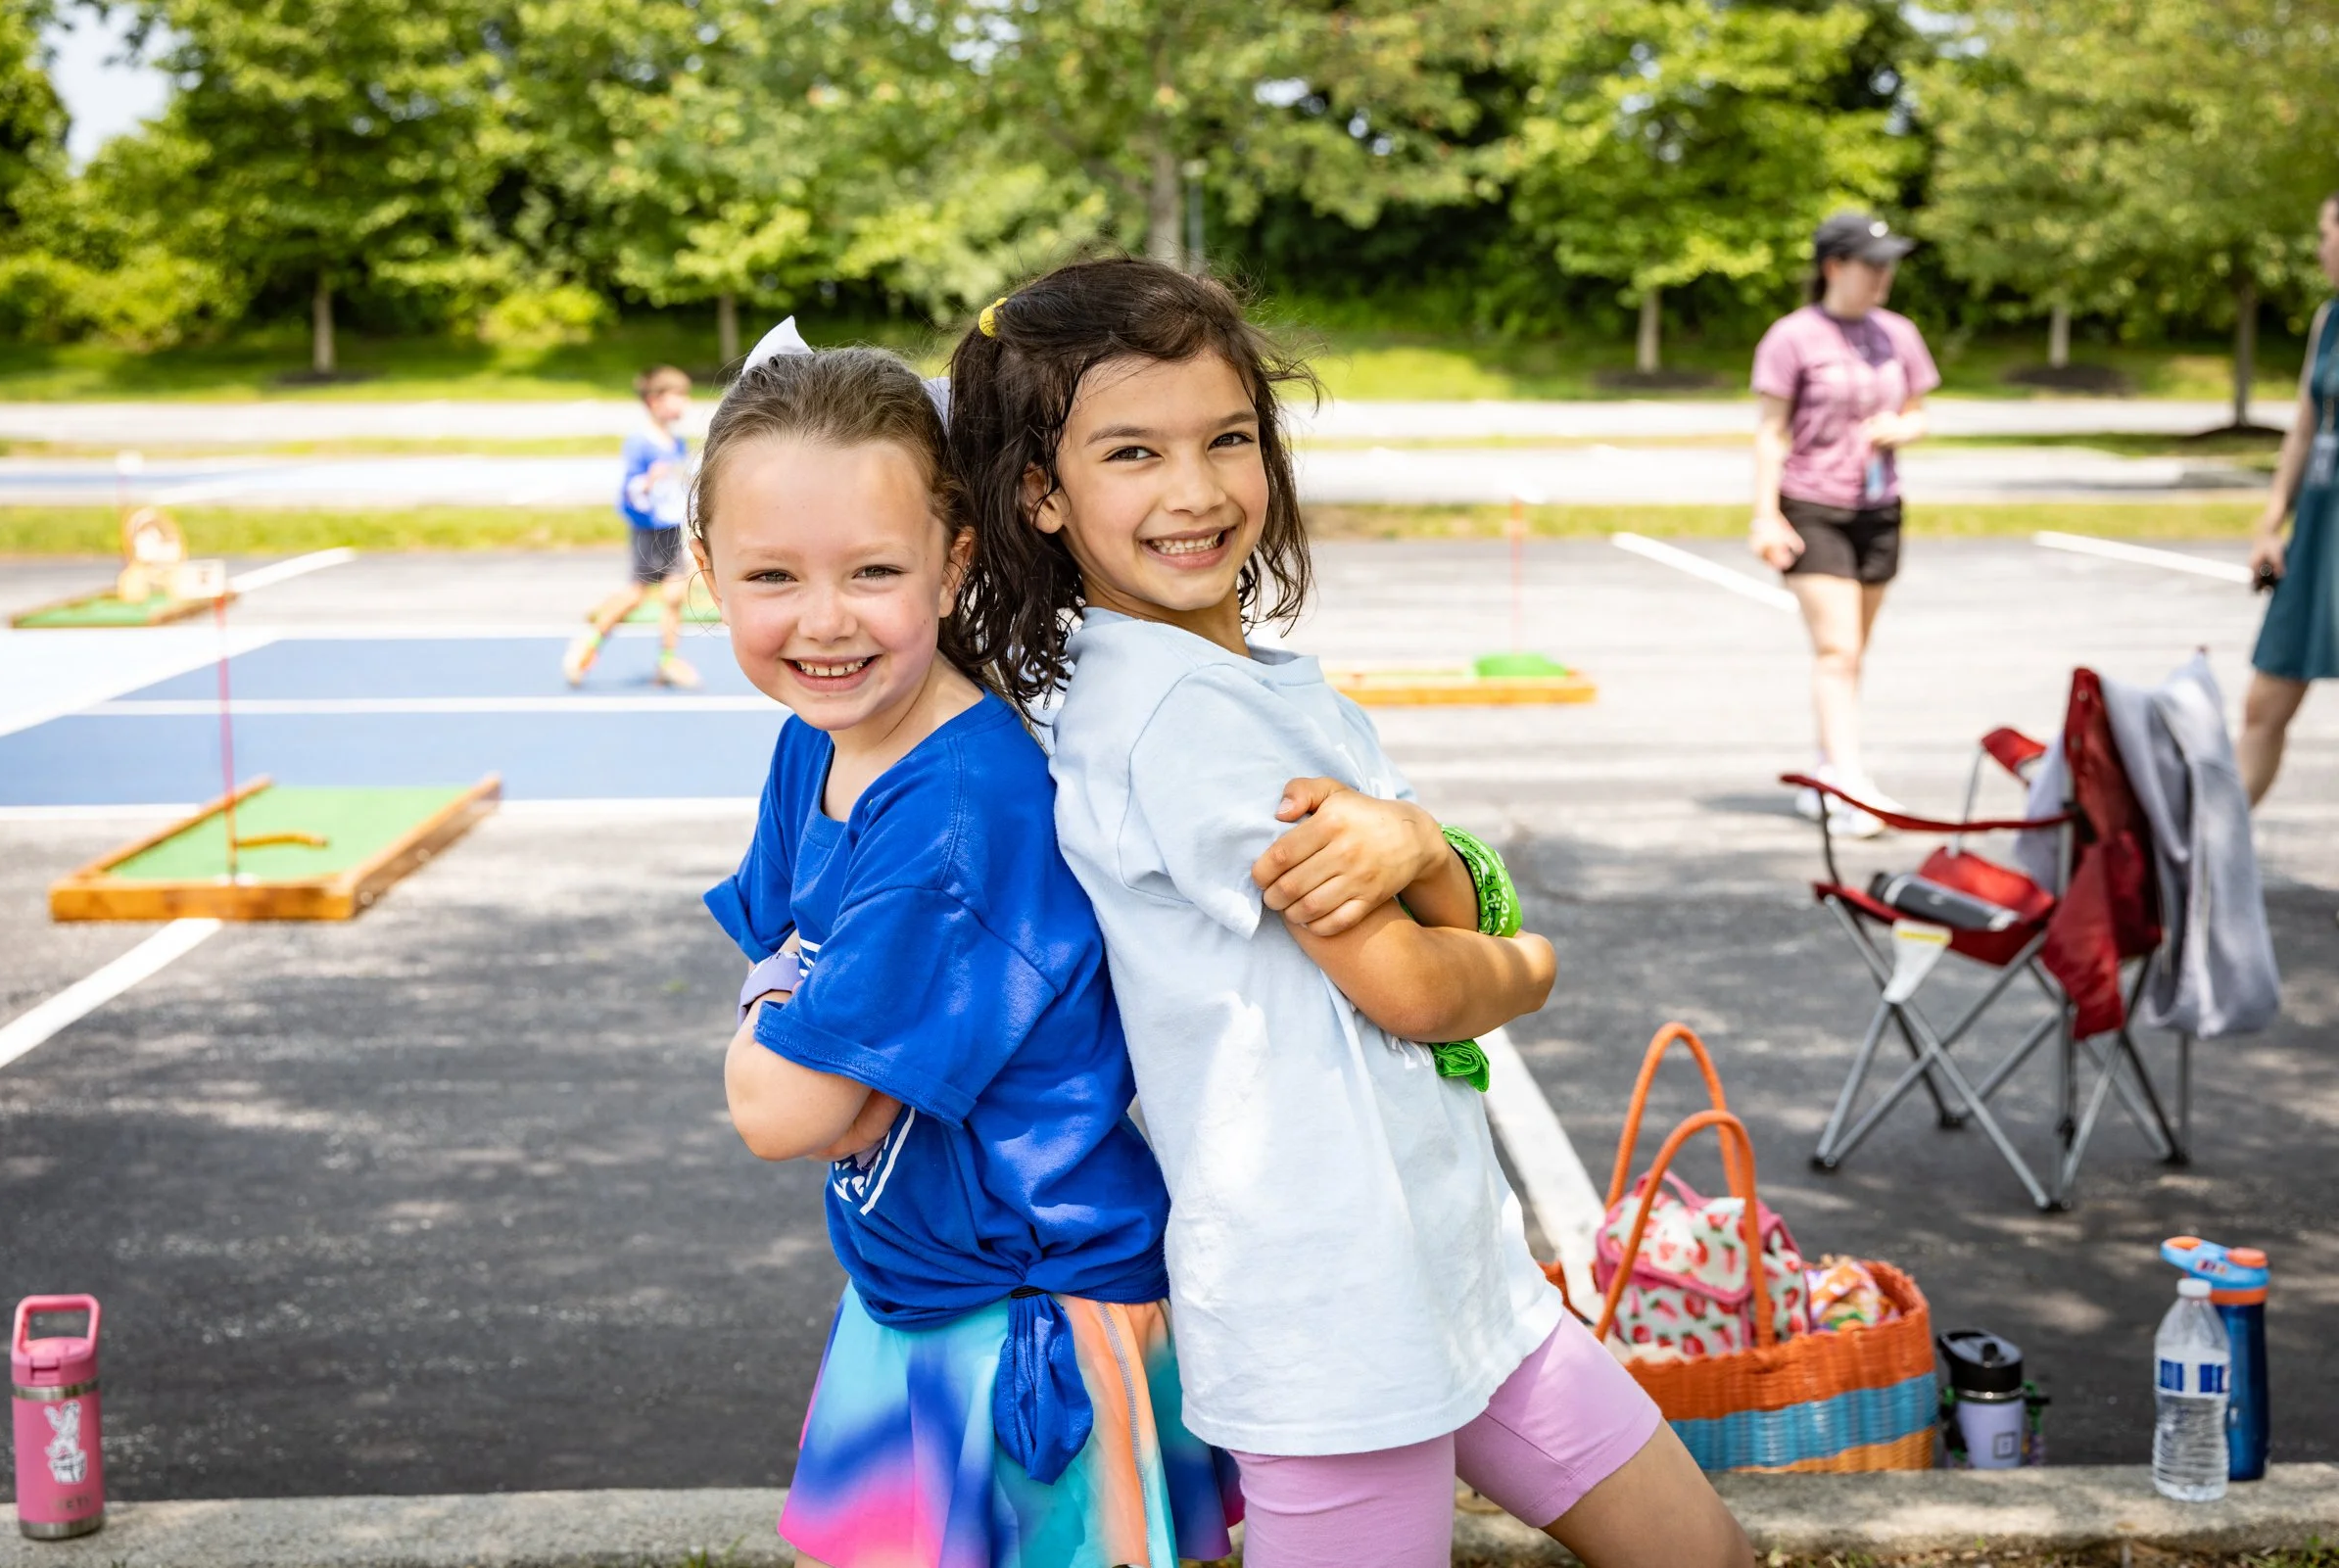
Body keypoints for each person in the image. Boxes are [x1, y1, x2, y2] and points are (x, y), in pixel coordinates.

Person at [946, 260, 1753, 1568]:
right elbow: (1423, 989)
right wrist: (1530, 960)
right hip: (1331, 1309)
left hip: (1451, 1263)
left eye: (1227, 439)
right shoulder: (1175, 717)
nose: (1196, 490)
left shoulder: (1240, 681)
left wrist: (1423, 844)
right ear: (1042, 493)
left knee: (1697, 1549)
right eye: (1132, 453)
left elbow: (1433, 885)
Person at [690, 335, 1241, 1568]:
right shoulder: (823, 739)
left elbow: (788, 1108)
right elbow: (796, 1009)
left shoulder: (954, 818)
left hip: (1031, 1319)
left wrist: (782, 1002)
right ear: (705, 569)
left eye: (873, 569)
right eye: (772, 573)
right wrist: (795, 1001)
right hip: (919, 1283)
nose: (823, 622)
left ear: (952, 563)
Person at [1749, 212, 1939, 836]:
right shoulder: (1793, 337)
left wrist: (1903, 428)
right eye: (1871, 264)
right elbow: (1771, 433)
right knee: (1838, 649)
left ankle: (1828, 771)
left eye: (1889, 264)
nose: (1884, 276)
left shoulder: (1899, 334)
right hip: (1812, 505)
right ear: (1834, 266)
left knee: (1854, 654)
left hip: (1879, 507)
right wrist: (1765, 513)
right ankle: (1848, 781)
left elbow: (1918, 412)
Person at [2240, 191, 2339, 806]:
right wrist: (2272, 520)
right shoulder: (2329, 318)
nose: (2320, 246)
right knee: (2263, 702)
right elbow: (2305, 425)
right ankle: (2209, 862)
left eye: (2328, 231)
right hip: (2317, 530)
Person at [562, 364, 701, 688]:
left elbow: (679, 487)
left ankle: (667, 661)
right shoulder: (641, 444)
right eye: (676, 397)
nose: (684, 404)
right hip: (647, 530)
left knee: (674, 594)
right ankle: (589, 641)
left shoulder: (676, 443)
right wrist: (646, 485)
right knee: (635, 596)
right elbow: (629, 492)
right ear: (654, 401)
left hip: (668, 528)